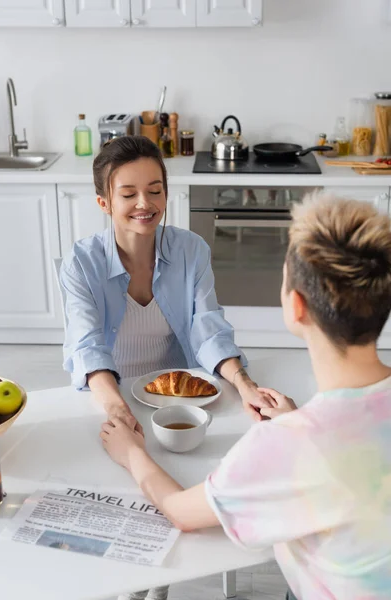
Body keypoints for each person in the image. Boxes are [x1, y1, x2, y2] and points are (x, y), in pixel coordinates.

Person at [101, 192, 391, 600]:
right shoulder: (296, 437)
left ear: (296, 306)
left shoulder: (288, 448)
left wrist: (131, 453)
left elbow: (181, 513)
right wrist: (296, 420)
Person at [60, 136, 273, 600]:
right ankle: (132, 584)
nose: (145, 203)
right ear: (104, 201)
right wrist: (117, 410)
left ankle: (158, 585)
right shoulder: (81, 262)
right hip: (106, 397)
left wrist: (243, 381)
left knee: (179, 488)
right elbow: (86, 344)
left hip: (178, 398)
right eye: (129, 193)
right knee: (121, 490)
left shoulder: (190, 250)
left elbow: (208, 327)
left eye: (155, 190)